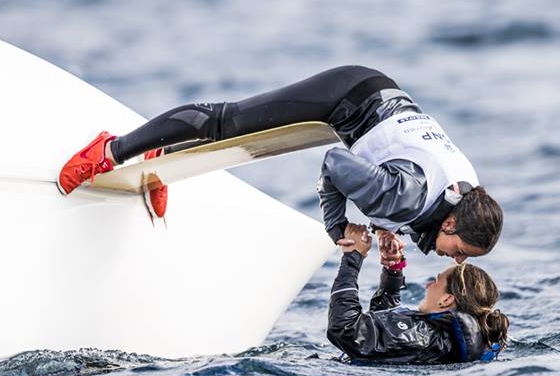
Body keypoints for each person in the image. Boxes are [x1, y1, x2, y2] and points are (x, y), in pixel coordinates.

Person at [57, 65, 503, 262]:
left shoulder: (467, 193)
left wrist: (387, 233)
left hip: (379, 99)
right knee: (224, 121)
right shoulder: (409, 198)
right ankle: (110, 149)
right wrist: (335, 227)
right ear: (450, 226)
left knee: (232, 128)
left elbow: (402, 175)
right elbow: (335, 163)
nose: (455, 263)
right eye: (461, 253)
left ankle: (162, 153)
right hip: (350, 96)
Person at [328, 223, 509, 364]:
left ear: (446, 299)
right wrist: (394, 269)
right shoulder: (435, 337)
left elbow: (345, 329)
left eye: (436, 282)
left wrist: (353, 257)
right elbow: (382, 327)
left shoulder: (423, 337)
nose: (429, 285)